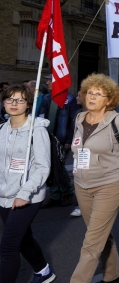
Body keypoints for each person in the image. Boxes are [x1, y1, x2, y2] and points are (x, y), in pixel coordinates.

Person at [70, 73, 119, 283]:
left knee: (91, 243)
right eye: (89, 92)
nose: (91, 97)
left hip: (109, 185)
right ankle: (113, 273)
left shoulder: (116, 121)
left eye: (98, 94)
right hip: (82, 184)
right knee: (98, 233)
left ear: (108, 100)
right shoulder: (79, 118)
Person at [0, 84, 55, 283]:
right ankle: (44, 271)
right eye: (9, 99)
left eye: (20, 100)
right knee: (23, 238)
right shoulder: (2, 128)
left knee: (8, 246)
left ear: (28, 104)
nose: (14, 104)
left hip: (27, 195)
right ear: (3, 102)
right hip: (4, 195)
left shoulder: (36, 130)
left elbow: (42, 167)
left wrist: (25, 193)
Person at [38, 74, 81, 208]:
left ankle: (67, 192)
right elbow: (41, 116)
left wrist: (69, 139)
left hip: (62, 139)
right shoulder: (46, 98)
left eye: (50, 80)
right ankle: (55, 195)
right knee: (50, 166)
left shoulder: (70, 99)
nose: (47, 82)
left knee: (60, 166)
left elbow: (73, 120)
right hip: (47, 137)